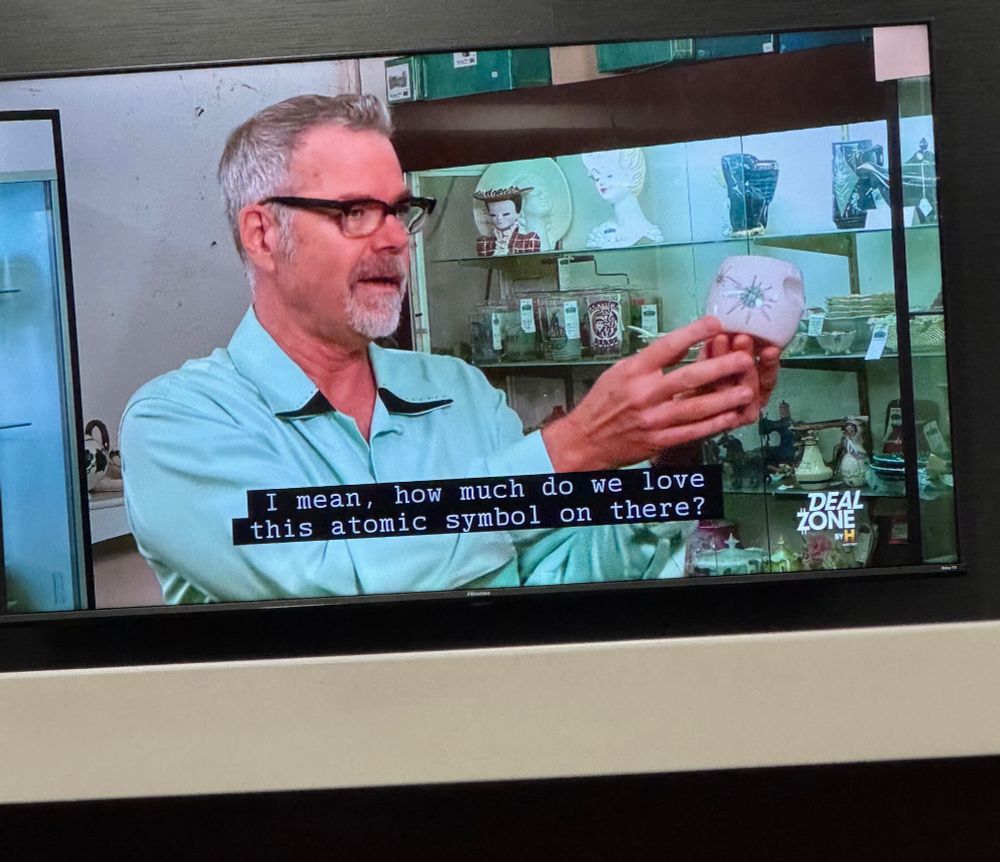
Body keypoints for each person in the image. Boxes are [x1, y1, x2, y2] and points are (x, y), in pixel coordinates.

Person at [121, 93, 779, 604]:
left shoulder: (458, 393)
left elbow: (549, 579)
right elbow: (336, 584)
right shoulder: (179, 425)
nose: (395, 240)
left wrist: (674, 442)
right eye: (355, 212)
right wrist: (567, 450)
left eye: (401, 212)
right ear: (263, 235)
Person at [581, 148, 663, 248]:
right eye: (597, 178)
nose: (601, 182)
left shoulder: (650, 235)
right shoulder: (599, 235)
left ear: (631, 176)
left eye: (609, 175)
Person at [473, 186, 541, 256]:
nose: (499, 218)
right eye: (493, 215)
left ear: (518, 212)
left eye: (506, 214)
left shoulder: (528, 241)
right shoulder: (485, 244)